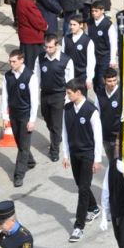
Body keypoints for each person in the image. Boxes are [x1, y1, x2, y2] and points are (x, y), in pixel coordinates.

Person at [61, 79, 103, 243]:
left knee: (83, 189)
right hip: (74, 153)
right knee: (81, 185)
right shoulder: (67, 108)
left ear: (79, 93)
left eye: (69, 93)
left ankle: (78, 226)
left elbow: (98, 137)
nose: (67, 95)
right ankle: (93, 208)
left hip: (87, 155)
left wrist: (97, 159)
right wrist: (65, 154)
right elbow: (65, 132)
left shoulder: (91, 110)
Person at [1, 50, 39, 187]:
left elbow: (34, 100)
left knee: (23, 147)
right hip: (13, 114)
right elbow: (5, 97)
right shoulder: (7, 76)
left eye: (14, 61)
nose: (11, 64)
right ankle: (30, 161)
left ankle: (19, 175)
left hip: (25, 115)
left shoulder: (30, 76)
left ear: (21, 60)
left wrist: (32, 120)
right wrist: (5, 117)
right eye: (10, 61)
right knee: (20, 142)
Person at [34, 34, 74, 162]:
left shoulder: (66, 60)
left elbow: (70, 81)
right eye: (45, 47)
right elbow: (36, 77)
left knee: (56, 125)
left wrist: (68, 98)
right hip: (45, 94)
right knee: (47, 118)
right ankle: (57, 137)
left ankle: (54, 150)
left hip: (59, 95)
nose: (47, 49)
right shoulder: (40, 58)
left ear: (57, 46)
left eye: (50, 47)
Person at [16, 0, 49, 68]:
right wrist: (45, 26)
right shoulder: (29, 4)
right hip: (32, 37)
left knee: (25, 59)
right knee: (33, 62)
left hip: (24, 35)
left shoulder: (20, 0)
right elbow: (37, 21)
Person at [63, 15, 96, 90]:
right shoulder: (65, 39)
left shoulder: (88, 41)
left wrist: (89, 78)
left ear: (81, 25)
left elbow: (91, 61)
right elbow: (63, 57)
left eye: (74, 25)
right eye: (70, 24)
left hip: (82, 75)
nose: (71, 27)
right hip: (68, 75)